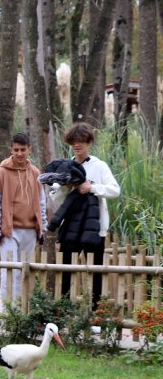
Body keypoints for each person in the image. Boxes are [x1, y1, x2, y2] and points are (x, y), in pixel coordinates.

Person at [49, 122, 120, 308]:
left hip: (94, 228)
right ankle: (63, 312)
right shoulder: (65, 166)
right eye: (73, 141)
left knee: (96, 272)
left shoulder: (100, 166)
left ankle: (96, 314)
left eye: (81, 141)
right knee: (66, 270)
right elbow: (55, 197)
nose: (77, 145)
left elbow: (115, 190)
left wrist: (92, 187)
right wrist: (66, 187)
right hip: (70, 226)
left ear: (88, 142)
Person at [0, 133, 47, 308]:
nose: (20, 153)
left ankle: (20, 311)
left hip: (30, 230)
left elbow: (41, 202)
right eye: (16, 150)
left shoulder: (35, 173)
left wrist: (42, 227)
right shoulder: (1, 172)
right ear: (11, 150)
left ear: (29, 149)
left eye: (23, 150)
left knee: (24, 271)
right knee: (9, 271)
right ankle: (7, 312)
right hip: (9, 231)